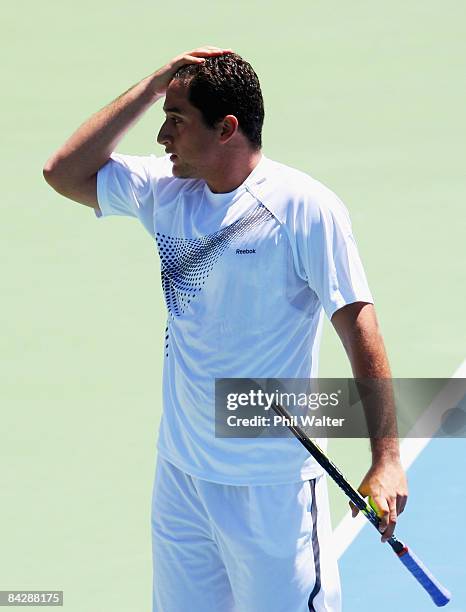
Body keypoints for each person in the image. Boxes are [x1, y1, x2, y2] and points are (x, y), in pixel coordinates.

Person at [44, 46, 408, 612]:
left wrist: (386, 460)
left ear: (227, 129)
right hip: (182, 480)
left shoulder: (303, 208)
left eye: (176, 120)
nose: (162, 136)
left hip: (271, 490)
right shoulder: (164, 191)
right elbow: (62, 171)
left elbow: (362, 332)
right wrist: (151, 86)